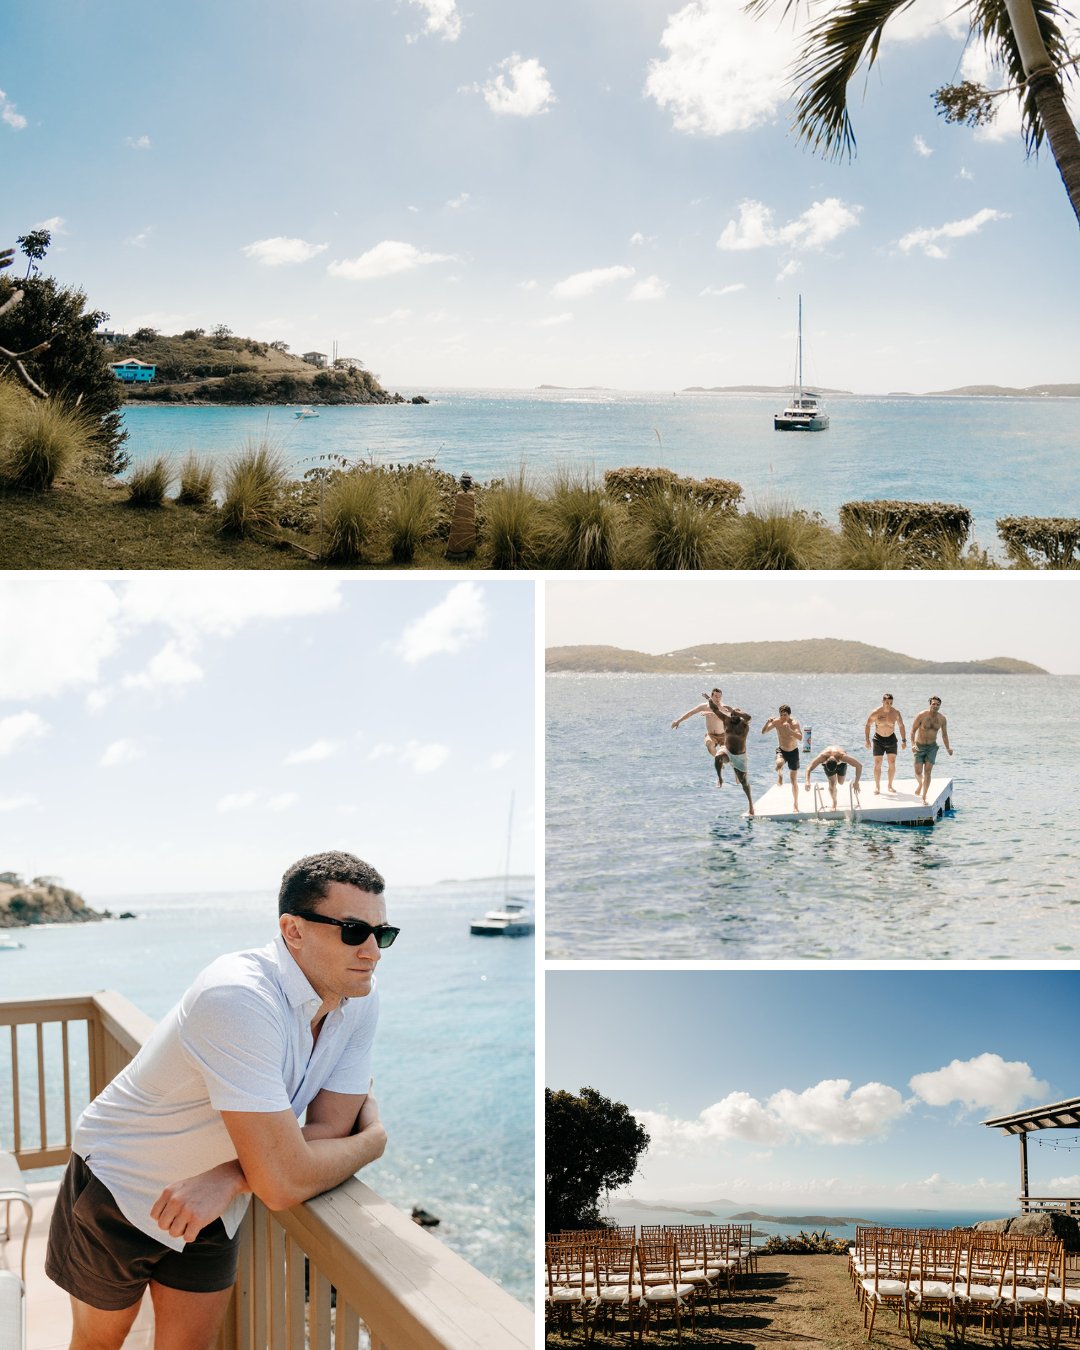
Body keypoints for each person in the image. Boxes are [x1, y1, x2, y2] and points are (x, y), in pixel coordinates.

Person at [45, 850, 395, 1350]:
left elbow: (329, 1130)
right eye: (353, 931)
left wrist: (228, 1177)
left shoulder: (358, 995)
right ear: (292, 929)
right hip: (119, 1183)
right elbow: (283, 1180)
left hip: (212, 1202)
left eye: (382, 934)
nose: (373, 952)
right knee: (99, 1344)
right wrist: (375, 1141)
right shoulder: (238, 996)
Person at [671, 687, 733, 788]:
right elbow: (690, 713)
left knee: (729, 756)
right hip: (711, 735)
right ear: (711, 696)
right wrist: (678, 721)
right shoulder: (704, 706)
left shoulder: (723, 707)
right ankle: (719, 767)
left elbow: (729, 715)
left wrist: (712, 713)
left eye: (720, 697)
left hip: (723, 735)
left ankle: (736, 771)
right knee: (709, 745)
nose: (718, 699)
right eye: (716, 696)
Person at [709, 691, 755, 817]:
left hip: (740, 757)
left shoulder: (744, 724)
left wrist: (735, 710)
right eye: (732, 714)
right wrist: (710, 699)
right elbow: (714, 709)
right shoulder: (726, 720)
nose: (733, 716)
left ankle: (751, 805)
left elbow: (749, 717)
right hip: (727, 751)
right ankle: (720, 778)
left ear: (739, 715)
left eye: (736, 714)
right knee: (718, 757)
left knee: (744, 783)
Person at [910, 695, 953, 804]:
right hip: (919, 746)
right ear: (930, 704)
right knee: (918, 771)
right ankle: (920, 784)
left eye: (937, 704)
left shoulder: (942, 719)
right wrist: (913, 744)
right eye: (933, 704)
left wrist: (948, 748)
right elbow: (913, 731)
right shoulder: (921, 715)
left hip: (932, 748)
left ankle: (924, 797)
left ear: (940, 706)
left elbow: (944, 735)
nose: (935, 706)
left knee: (928, 772)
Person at [863, 693, 907, 795]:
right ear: (882, 701)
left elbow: (901, 726)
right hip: (878, 739)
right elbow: (868, 725)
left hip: (891, 738)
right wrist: (867, 740)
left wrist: (904, 740)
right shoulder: (876, 712)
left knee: (892, 762)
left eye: (891, 703)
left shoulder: (895, 713)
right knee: (878, 763)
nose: (889, 704)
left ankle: (890, 785)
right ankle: (877, 787)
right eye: (887, 702)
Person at [761, 704, 803, 810]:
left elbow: (801, 737)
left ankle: (796, 804)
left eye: (785, 715)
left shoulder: (794, 723)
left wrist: (790, 731)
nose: (783, 717)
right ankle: (780, 775)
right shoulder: (777, 722)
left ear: (789, 714)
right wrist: (768, 722)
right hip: (782, 750)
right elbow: (764, 732)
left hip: (793, 752)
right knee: (779, 763)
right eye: (781, 715)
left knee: (793, 780)